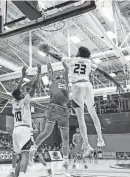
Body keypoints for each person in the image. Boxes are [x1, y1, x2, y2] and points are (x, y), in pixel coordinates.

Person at [39, 43, 124, 157]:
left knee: (81, 118)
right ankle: (100, 139)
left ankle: (87, 145)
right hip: (88, 86)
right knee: (93, 114)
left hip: (77, 86)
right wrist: (116, 83)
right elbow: (103, 73)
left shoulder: (72, 60)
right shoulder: (89, 62)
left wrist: (48, 52)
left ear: (79, 53)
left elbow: (58, 56)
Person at [30, 59, 70, 176]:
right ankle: (33, 149)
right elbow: (50, 70)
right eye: (57, 76)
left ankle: (65, 165)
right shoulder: (52, 81)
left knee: (65, 139)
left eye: (60, 76)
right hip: (53, 107)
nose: (58, 77)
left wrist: (65, 65)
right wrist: (47, 58)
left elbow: (67, 71)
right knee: (47, 132)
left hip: (64, 110)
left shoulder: (66, 82)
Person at [9, 65, 41, 177]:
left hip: (15, 130)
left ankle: (15, 174)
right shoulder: (25, 100)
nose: (23, 92)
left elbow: (16, 91)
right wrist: (39, 74)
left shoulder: (14, 102)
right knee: (25, 156)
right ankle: (22, 175)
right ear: (21, 95)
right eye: (22, 92)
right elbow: (34, 86)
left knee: (19, 156)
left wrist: (22, 77)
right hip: (24, 130)